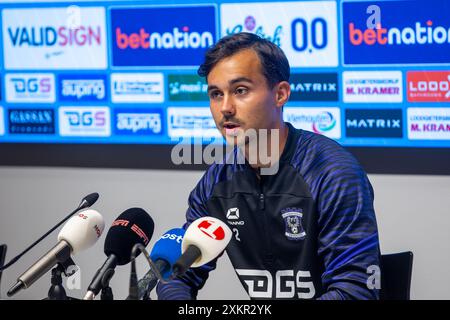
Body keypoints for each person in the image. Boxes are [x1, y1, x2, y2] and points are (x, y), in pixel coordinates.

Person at [157, 32, 380, 300]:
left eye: (240, 90)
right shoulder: (216, 182)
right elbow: (178, 274)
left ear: (281, 94)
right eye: (216, 94)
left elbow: (355, 290)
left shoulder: (333, 173)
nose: (225, 107)